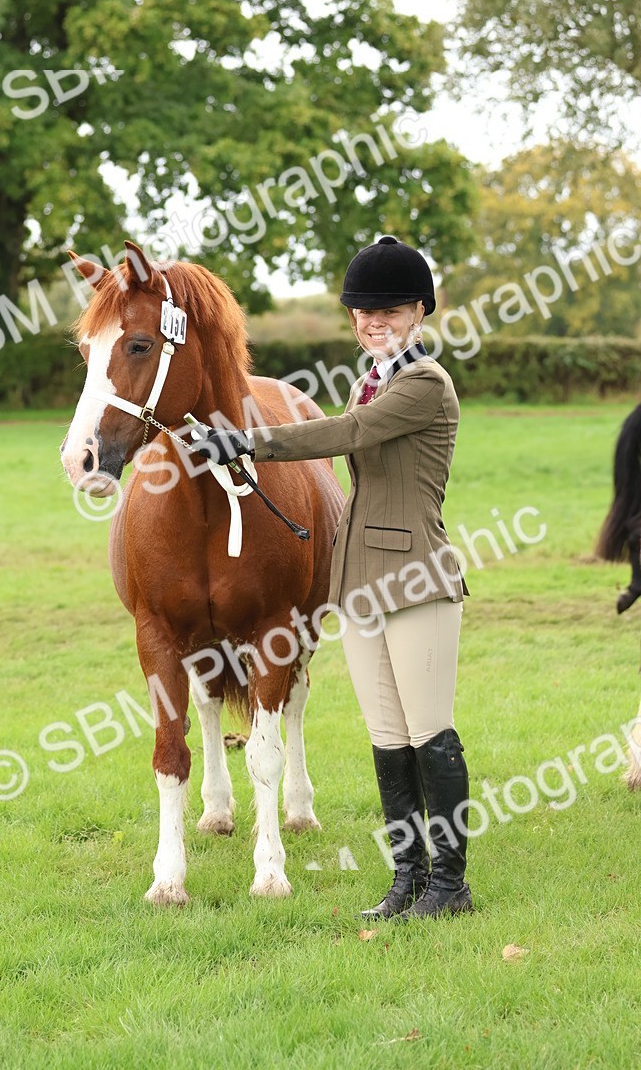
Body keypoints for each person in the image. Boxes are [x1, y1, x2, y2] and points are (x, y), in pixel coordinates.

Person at [192, 236, 473, 920]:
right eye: (360, 310)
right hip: (359, 584)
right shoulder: (370, 378)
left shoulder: (424, 384)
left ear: (418, 313)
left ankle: (451, 885)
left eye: (388, 310)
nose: (371, 321)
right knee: (386, 737)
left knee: (429, 733)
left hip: (416, 578)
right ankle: (407, 878)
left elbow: (347, 434)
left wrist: (252, 440)